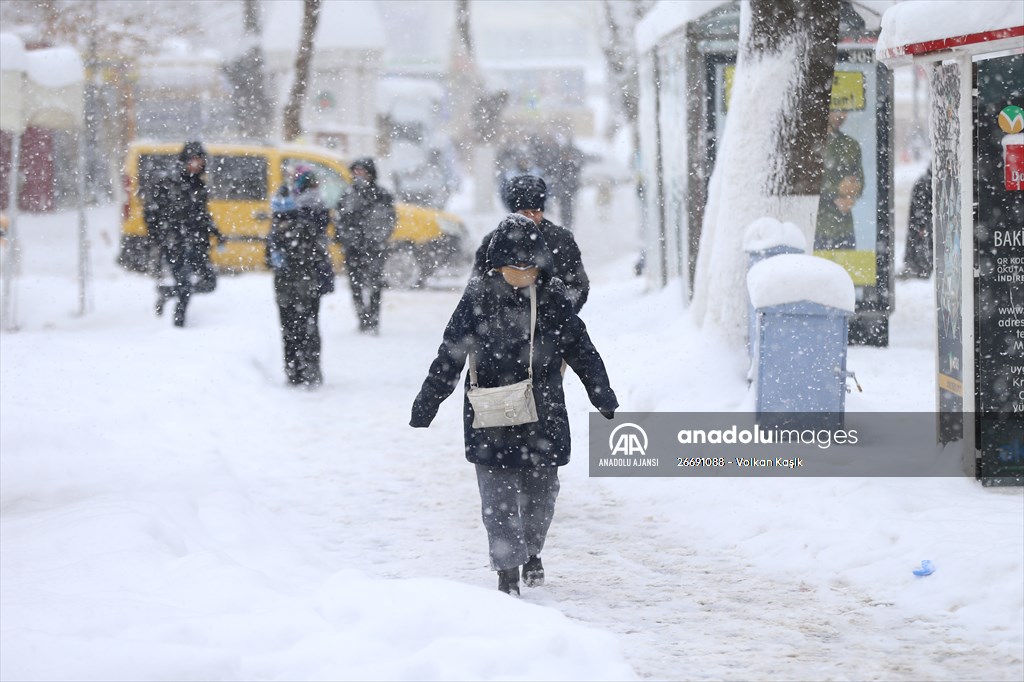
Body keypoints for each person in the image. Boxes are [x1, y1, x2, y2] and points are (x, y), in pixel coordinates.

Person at [410, 214, 618, 596]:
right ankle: (507, 571)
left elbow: (581, 349)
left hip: (543, 413)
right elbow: (450, 354)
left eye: (528, 267)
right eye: (513, 267)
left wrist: (601, 393)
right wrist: (428, 401)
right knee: (498, 497)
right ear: (496, 265)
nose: (521, 274)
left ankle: (532, 551)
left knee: (542, 494)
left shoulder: (553, 297)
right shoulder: (478, 297)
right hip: (491, 413)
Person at [473, 174, 590, 314]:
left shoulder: (561, 240)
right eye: (525, 212)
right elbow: (477, 287)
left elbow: (578, 285)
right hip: (505, 322)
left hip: (550, 321)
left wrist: (558, 312)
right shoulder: (493, 243)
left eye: (535, 211)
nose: (531, 217)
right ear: (514, 212)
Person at [266, 167, 335, 387]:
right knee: (309, 329)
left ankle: (294, 371)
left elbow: (269, 260)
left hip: (287, 290)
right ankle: (311, 371)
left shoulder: (276, 232)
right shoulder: (305, 227)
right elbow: (319, 255)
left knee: (290, 331)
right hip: (307, 288)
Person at [145, 140, 223, 327]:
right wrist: (160, 236)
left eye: (200, 160)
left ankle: (167, 292)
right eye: (193, 160)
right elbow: (151, 213)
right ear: (185, 160)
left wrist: (216, 233)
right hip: (175, 242)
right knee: (185, 284)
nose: (197, 164)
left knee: (209, 282)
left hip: (196, 242)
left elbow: (202, 215)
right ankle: (178, 327)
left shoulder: (199, 185)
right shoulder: (168, 183)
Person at [334, 157, 396, 334]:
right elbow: (339, 220)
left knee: (375, 285)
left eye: (362, 171)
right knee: (356, 286)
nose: (359, 175)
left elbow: (388, 220)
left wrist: (376, 239)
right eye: (356, 171)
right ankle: (362, 319)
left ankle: (373, 320)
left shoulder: (382, 195)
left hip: (374, 248)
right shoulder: (347, 194)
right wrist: (346, 239)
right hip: (353, 249)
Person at [815, 110, 864, 250]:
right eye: (835, 110)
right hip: (818, 227)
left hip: (844, 228)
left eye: (844, 110)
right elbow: (803, 186)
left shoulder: (851, 145)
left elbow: (860, 182)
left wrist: (852, 192)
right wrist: (837, 191)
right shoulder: (812, 144)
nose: (841, 116)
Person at [899, 164, 933, 279]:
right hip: (921, 223)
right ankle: (920, 268)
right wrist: (922, 225)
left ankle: (916, 266)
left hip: (918, 222)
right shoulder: (927, 183)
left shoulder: (923, 182)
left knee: (917, 244)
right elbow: (921, 207)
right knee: (921, 244)